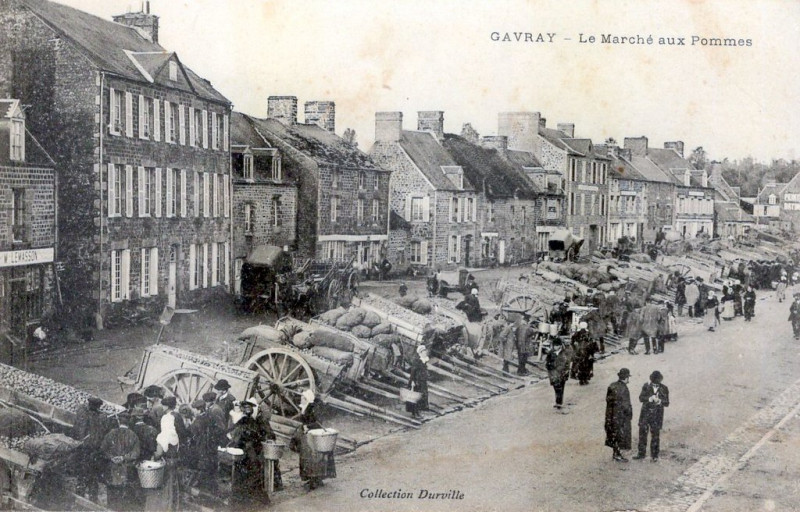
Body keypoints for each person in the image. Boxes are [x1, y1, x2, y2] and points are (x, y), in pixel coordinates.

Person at [290, 390, 336, 490]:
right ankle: (311, 479)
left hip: (314, 436)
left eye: (303, 398)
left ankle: (316, 479)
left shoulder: (313, 408)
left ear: (307, 399)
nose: (301, 400)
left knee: (314, 459)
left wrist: (308, 426)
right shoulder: (305, 408)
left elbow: (319, 422)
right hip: (307, 436)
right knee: (307, 458)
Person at [227, 398, 269, 508]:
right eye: (246, 408)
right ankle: (252, 500)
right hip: (250, 451)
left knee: (247, 474)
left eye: (249, 408)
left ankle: (247, 500)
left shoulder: (246, 421)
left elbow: (237, 437)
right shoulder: (246, 421)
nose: (248, 410)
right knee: (252, 473)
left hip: (249, 451)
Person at [71, 397, 110, 502]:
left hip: (85, 449)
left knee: (82, 474)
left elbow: (79, 430)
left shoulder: (83, 413)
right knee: (93, 476)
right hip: (95, 451)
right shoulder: (103, 417)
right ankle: (93, 499)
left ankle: (79, 496)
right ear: (98, 406)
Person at [100, 412, 141, 511]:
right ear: (129, 422)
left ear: (118, 421)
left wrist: (112, 457)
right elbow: (136, 453)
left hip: (112, 469)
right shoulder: (133, 435)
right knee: (125, 497)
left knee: (112, 496)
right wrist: (124, 458)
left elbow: (102, 449)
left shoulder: (111, 433)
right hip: (126, 470)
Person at [145, 408, 182, 512]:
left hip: (164, 465)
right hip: (173, 463)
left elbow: (159, 453)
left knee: (161, 489)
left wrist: (153, 457)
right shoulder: (175, 435)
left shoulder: (163, 436)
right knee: (171, 487)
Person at [188, 398, 223, 493]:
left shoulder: (198, 421)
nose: (194, 411)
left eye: (195, 409)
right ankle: (213, 490)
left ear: (199, 410)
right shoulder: (210, 417)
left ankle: (203, 492)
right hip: (212, 448)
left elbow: (192, 432)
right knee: (212, 470)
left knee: (203, 468)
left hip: (202, 447)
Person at [634, 371, 670, 462]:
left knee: (655, 436)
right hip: (645, 414)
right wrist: (649, 399)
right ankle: (641, 454)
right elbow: (641, 398)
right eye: (654, 382)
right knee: (642, 434)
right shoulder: (646, 386)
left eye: (657, 382)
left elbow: (667, 403)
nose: (655, 383)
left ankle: (654, 455)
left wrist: (660, 401)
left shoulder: (664, 388)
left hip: (657, 415)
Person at [605, 368, 633, 462]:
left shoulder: (612, 385)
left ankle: (615, 453)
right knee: (621, 435)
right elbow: (626, 405)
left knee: (613, 433)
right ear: (626, 378)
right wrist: (629, 414)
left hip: (611, 414)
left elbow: (608, 400)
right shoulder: (624, 388)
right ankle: (618, 455)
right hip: (621, 416)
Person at [545, 338, 572, 410]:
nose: (555, 347)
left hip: (562, 373)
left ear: (560, 346)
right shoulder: (550, 353)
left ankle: (559, 402)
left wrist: (565, 370)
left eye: (557, 345)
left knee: (560, 387)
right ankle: (559, 401)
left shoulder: (564, 353)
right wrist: (549, 366)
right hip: (553, 374)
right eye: (554, 345)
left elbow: (566, 363)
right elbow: (547, 362)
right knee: (556, 388)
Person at [406, 345, 430, 418]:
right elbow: (413, 372)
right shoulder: (417, 361)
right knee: (416, 397)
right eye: (424, 351)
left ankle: (418, 412)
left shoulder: (424, 360)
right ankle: (415, 413)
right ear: (420, 352)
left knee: (422, 396)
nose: (426, 352)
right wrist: (412, 381)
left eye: (425, 351)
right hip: (417, 381)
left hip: (422, 381)